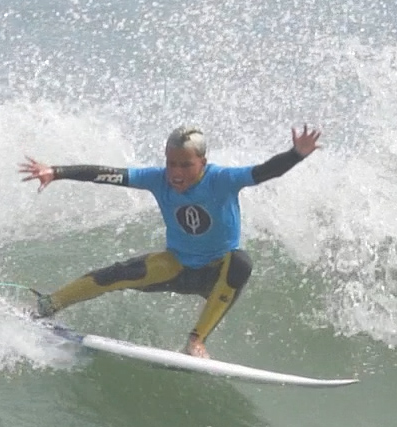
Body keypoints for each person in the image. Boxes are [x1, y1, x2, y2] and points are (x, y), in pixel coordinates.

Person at [18, 125, 320, 358]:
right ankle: (48, 305)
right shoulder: (156, 179)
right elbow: (105, 174)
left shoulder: (223, 179)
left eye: (185, 165)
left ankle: (196, 341)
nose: (176, 173)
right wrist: (56, 172)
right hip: (177, 266)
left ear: (202, 161)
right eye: (171, 164)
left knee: (241, 261)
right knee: (114, 274)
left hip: (218, 275)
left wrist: (296, 155)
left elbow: (264, 171)